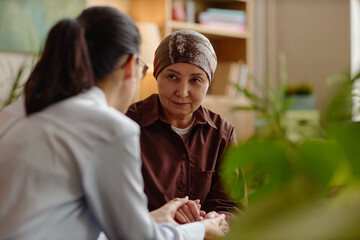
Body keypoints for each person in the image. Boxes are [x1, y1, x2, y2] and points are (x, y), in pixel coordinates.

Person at [0, 7, 227, 240]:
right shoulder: (112, 129)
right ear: (130, 65)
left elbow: (64, 220)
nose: (182, 91)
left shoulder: (15, 112)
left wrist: (153, 217)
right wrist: (201, 230)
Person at [126, 30, 247, 224]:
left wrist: (218, 218)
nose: (182, 92)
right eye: (172, 77)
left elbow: (233, 206)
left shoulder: (222, 133)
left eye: (196, 80)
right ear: (157, 75)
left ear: (208, 83)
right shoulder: (127, 124)